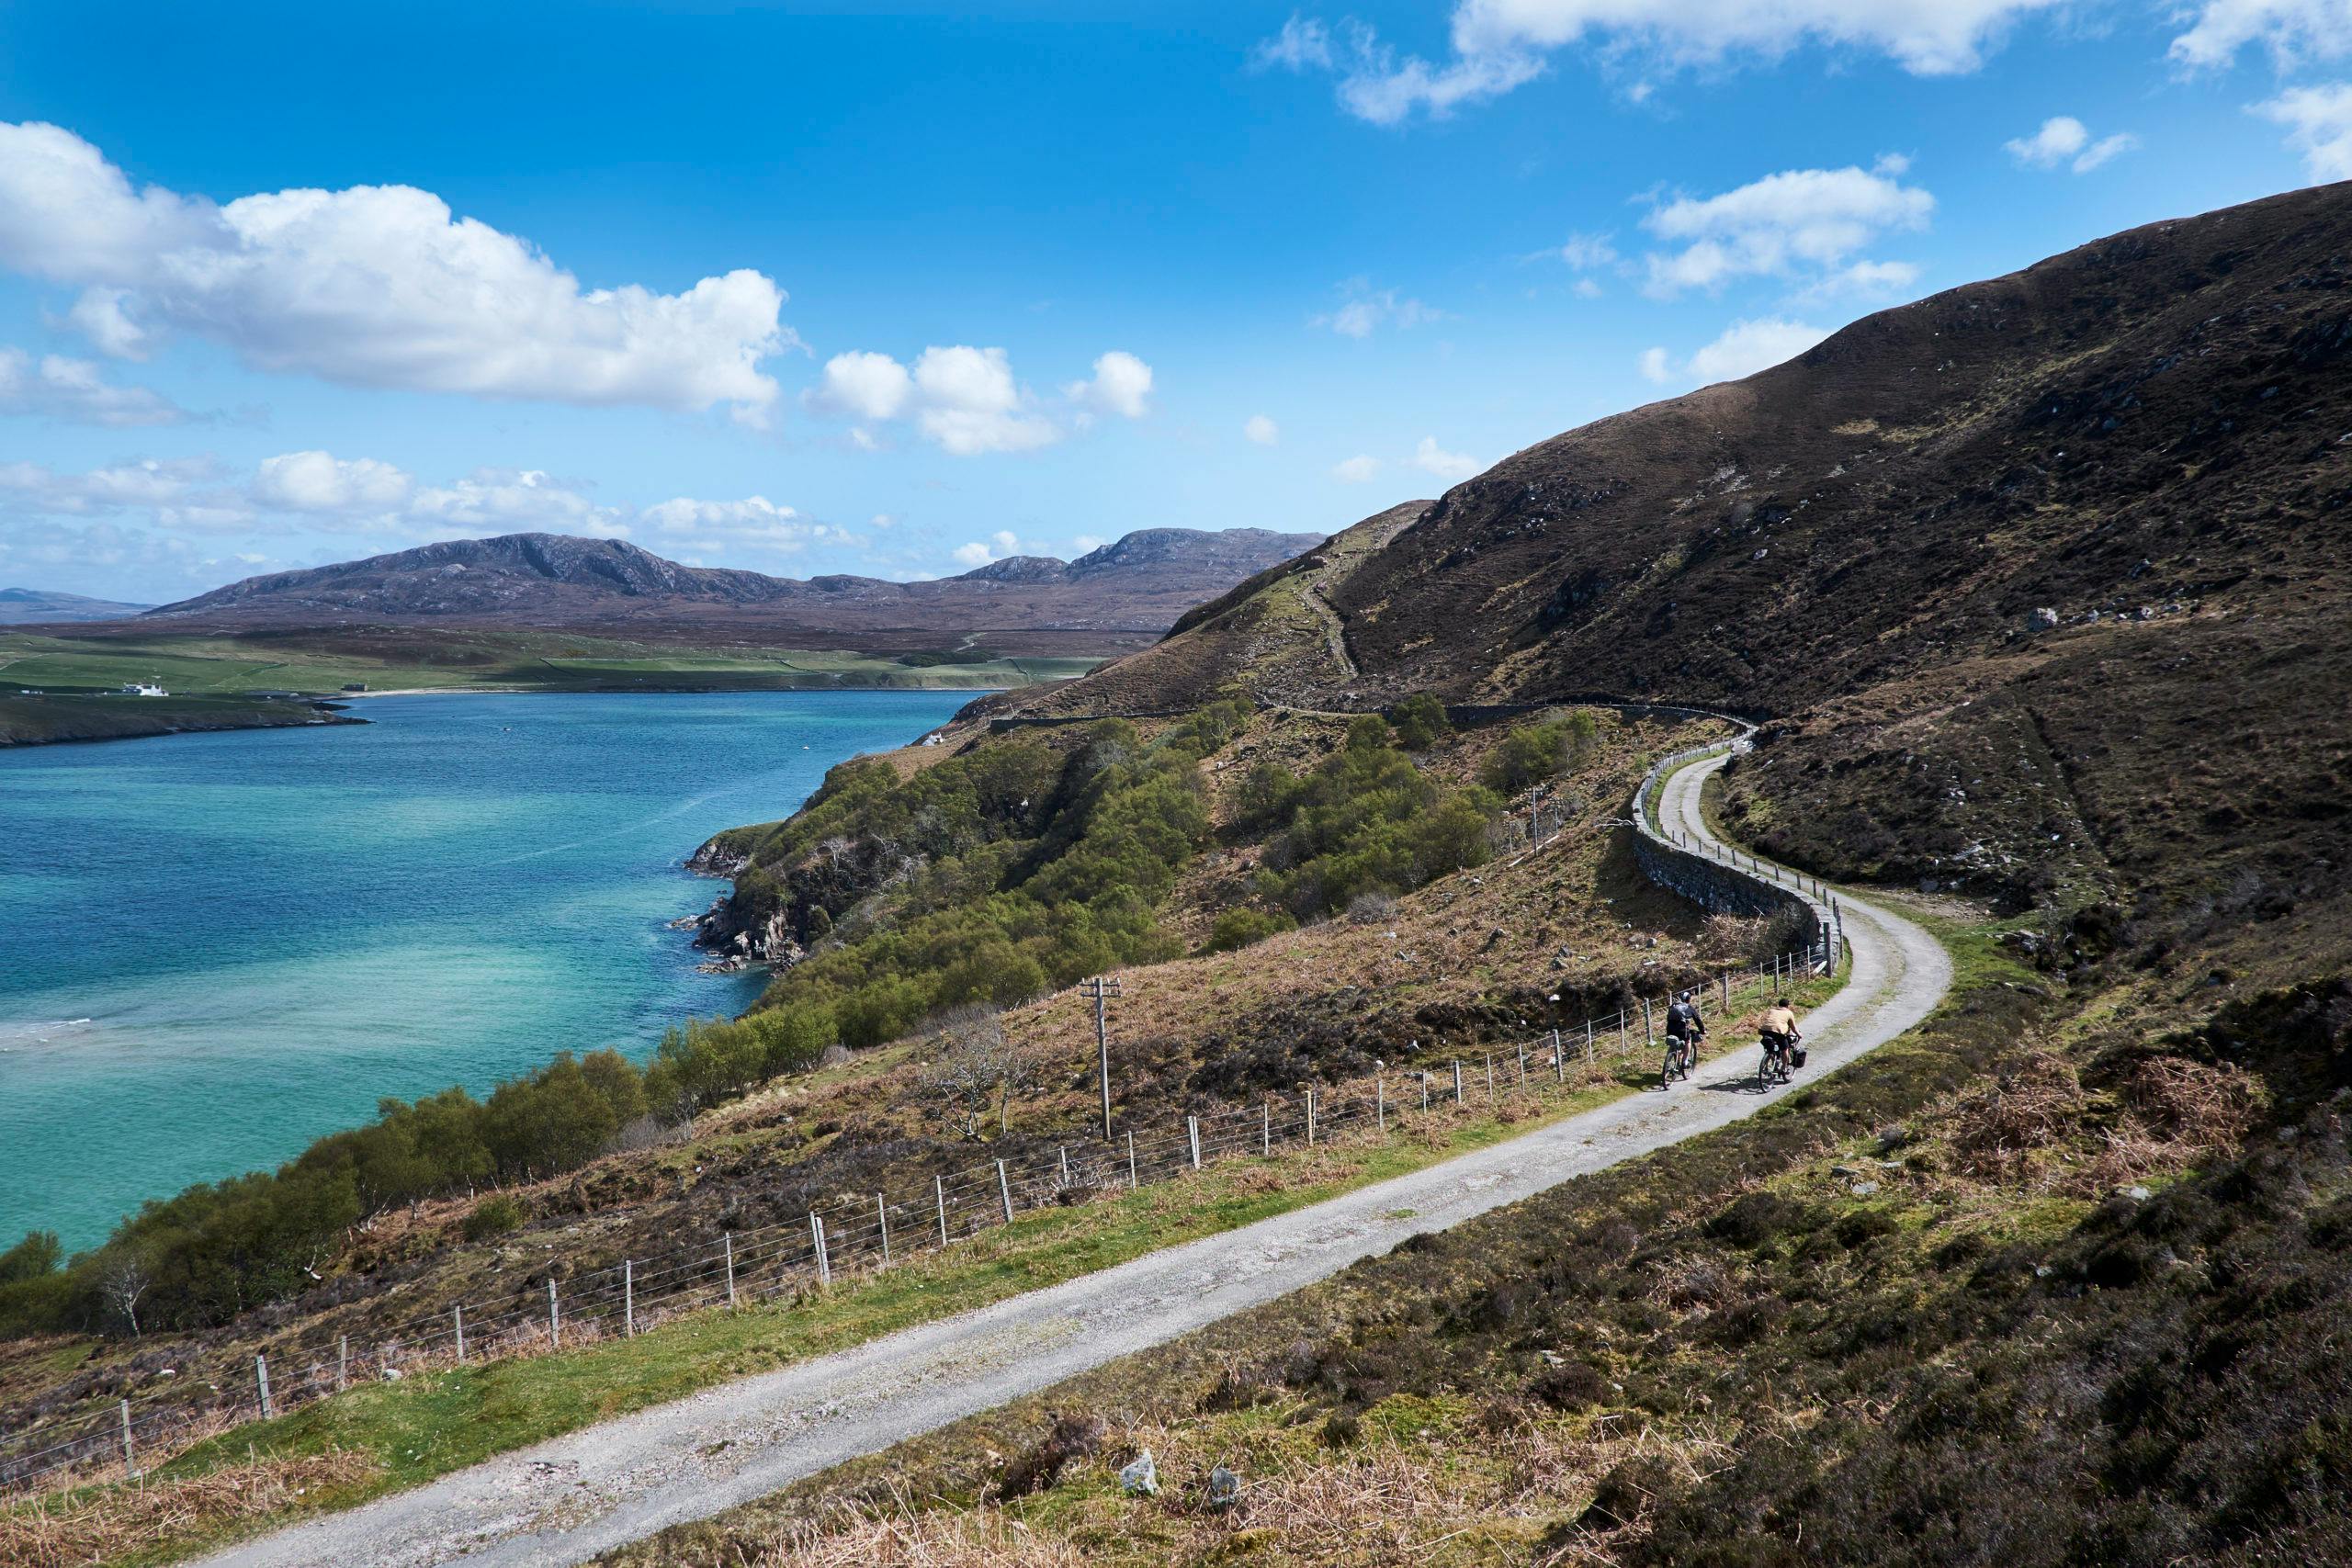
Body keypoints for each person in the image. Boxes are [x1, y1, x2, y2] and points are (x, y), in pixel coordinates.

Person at [1758, 997, 1802, 1077]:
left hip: (1764, 1030)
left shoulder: (1772, 1010)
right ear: (1788, 1006)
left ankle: (1764, 1066)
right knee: (1785, 1049)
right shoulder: (1789, 1013)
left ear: (1779, 1004)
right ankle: (1784, 1067)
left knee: (1770, 1049)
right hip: (1778, 1032)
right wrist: (1799, 1034)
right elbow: (1793, 1027)